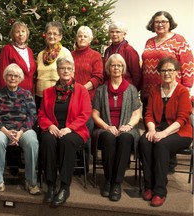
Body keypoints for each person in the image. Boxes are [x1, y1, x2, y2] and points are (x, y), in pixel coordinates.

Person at [141, 11, 194, 172]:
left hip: (172, 92)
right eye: (157, 21)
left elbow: (188, 66)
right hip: (150, 92)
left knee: (169, 125)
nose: (160, 24)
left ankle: (167, 164)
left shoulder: (179, 41)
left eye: (163, 21)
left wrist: (186, 89)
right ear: (152, 24)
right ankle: (156, 164)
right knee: (152, 127)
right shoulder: (150, 41)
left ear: (170, 23)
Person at [38, 56, 91, 207]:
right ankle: (50, 184)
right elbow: (41, 113)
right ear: (58, 71)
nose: (66, 71)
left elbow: (85, 113)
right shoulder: (48, 92)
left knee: (67, 141)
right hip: (53, 128)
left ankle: (64, 186)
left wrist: (69, 128)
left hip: (75, 130)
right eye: (62, 68)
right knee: (47, 140)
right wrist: (49, 125)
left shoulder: (81, 91)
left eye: (69, 68)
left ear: (73, 70)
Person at [139, 57, 192, 207]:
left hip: (180, 132)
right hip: (157, 128)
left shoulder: (182, 91)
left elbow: (182, 119)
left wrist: (163, 133)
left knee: (162, 145)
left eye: (170, 70)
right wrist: (151, 129)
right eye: (163, 70)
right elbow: (148, 113)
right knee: (144, 141)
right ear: (159, 73)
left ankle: (160, 191)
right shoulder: (155, 90)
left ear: (176, 72)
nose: (166, 73)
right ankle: (149, 186)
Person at [92, 53, 141, 201]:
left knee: (125, 138)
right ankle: (108, 180)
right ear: (108, 68)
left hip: (127, 127)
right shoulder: (101, 90)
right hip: (105, 127)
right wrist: (107, 126)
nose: (116, 68)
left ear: (123, 68)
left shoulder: (131, 89)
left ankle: (117, 183)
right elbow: (95, 114)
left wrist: (128, 125)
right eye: (113, 65)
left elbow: (137, 113)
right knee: (108, 138)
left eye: (119, 65)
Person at [0, 63, 41, 196]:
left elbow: (32, 116)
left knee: (32, 142)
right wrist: (6, 132)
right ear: (5, 77)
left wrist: (20, 132)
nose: (12, 78)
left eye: (16, 76)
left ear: (20, 78)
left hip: (23, 130)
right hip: (2, 130)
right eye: (10, 75)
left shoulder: (26, 95)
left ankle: (31, 182)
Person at [71, 25, 104, 172]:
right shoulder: (70, 55)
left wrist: (82, 89)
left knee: (86, 130)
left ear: (90, 39)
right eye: (80, 36)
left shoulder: (95, 55)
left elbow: (98, 77)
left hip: (88, 99)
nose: (82, 38)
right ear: (76, 38)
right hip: (71, 99)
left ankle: (84, 165)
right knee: (71, 129)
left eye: (85, 36)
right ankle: (71, 162)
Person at [35, 21, 73, 110]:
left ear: (60, 37)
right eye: (49, 33)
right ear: (46, 35)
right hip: (40, 96)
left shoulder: (65, 53)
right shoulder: (40, 54)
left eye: (55, 34)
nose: (52, 36)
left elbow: (71, 75)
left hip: (57, 96)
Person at [0, 21, 36, 94]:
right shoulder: (8, 49)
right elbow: (2, 73)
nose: (20, 34)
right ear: (13, 35)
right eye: (17, 32)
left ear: (27, 34)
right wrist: (6, 94)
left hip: (28, 94)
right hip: (13, 93)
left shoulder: (29, 51)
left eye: (23, 31)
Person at [103, 21, 141, 90]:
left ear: (124, 34)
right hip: (109, 87)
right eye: (112, 32)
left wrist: (132, 91)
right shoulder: (107, 50)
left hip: (126, 88)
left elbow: (136, 75)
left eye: (117, 32)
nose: (114, 34)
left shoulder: (129, 51)